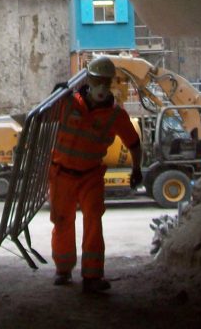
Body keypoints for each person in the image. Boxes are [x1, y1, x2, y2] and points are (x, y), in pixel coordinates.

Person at [48, 55, 142, 294]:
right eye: (97, 80)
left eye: (106, 81)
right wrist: (54, 96)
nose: (101, 86)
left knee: (93, 222)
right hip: (62, 174)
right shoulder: (68, 103)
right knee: (62, 221)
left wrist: (137, 168)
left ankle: (92, 276)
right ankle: (63, 269)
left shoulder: (115, 115)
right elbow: (42, 117)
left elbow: (134, 143)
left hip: (90, 175)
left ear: (111, 83)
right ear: (88, 80)